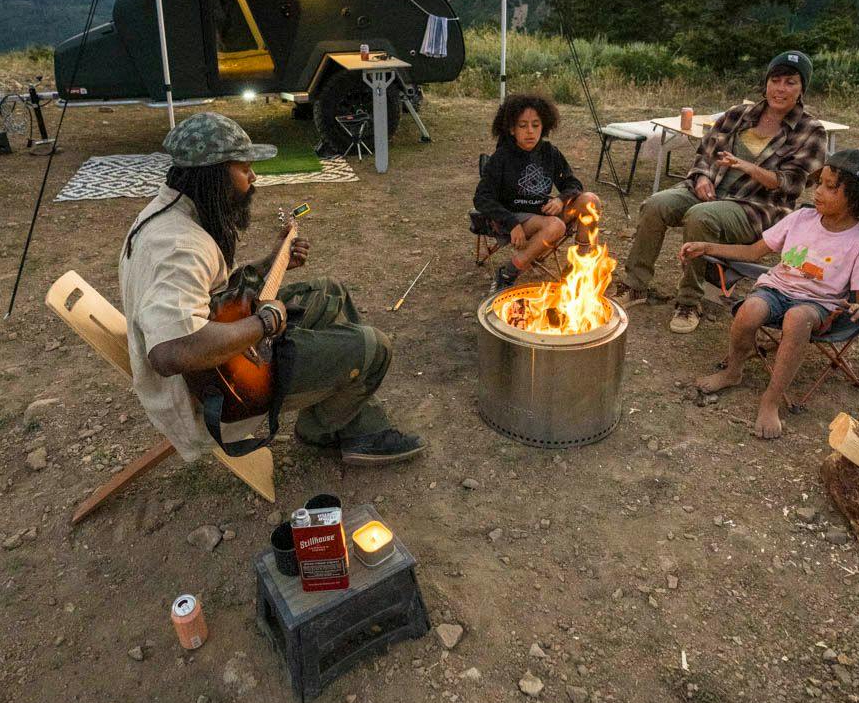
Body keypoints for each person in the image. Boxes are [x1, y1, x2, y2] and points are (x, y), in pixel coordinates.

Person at [119, 111, 425, 466]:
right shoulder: (179, 247)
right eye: (244, 168)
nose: (254, 177)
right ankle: (325, 431)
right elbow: (171, 352)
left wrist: (272, 261)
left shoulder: (168, 213)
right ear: (214, 174)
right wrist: (262, 325)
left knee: (330, 291)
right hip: (217, 399)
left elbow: (218, 295)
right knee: (374, 346)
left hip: (216, 363)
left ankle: (347, 419)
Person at [617, 51, 827, 332]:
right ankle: (635, 285)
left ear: (802, 89)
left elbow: (792, 183)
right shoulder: (739, 114)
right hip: (710, 192)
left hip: (757, 207)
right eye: (775, 80)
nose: (780, 88)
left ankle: (690, 300)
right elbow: (706, 151)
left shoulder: (810, 131)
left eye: (790, 82)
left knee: (701, 217)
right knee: (656, 204)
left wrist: (749, 167)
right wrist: (703, 177)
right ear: (766, 83)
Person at [685, 149, 859, 439]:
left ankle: (771, 400)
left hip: (818, 304)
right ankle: (733, 371)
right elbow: (754, 251)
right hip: (777, 288)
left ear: (856, 197)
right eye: (820, 183)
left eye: (830, 187)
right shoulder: (801, 218)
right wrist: (707, 247)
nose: (818, 191)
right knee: (749, 311)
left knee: (796, 318)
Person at [473, 92, 600, 291]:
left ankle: (580, 267)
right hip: (512, 217)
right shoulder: (502, 156)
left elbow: (573, 183)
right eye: (523, 126)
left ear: (544, 125)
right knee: (556, 226)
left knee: (590, 200)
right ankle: (508, 272)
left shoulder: (550, 153)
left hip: (544, 212)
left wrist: (560, 199)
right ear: (512, 129)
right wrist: (511, 222)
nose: (530, 131)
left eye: (535, 125)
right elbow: (482, 197)